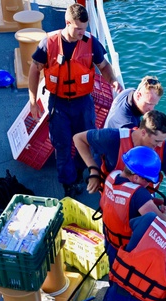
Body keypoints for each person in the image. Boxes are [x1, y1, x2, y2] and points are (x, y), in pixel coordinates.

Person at [27, 2, 121, 197]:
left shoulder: (90, 42)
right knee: (61, 144)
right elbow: (35, 70)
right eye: (78, 28)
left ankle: (79, 171)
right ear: (67, 23)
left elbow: (103, 66)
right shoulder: (49, 43)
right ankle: (68, 182)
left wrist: (112, 80)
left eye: (84, 29)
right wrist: (33, 100)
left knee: (86, 141)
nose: (82, 33)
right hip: (58, 103)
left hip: (83, 103)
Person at [74, 110, 166, 206]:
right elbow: (78, 139)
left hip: (144, 202)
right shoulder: (113, 138)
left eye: (163, 141)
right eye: (157, 141)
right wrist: (94, 170)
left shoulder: (165, 150)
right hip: (112, 198)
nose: (160, 145)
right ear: (143, 132)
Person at [98, 146, 166, 265]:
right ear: (135, 177)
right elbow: (162, 224)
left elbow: (128, 201)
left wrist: (159, 202)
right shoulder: (139, 194)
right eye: (148, 180)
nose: (149, 184)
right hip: (128, 250)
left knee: (114, 276)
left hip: (111, 243)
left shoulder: (112, 176)